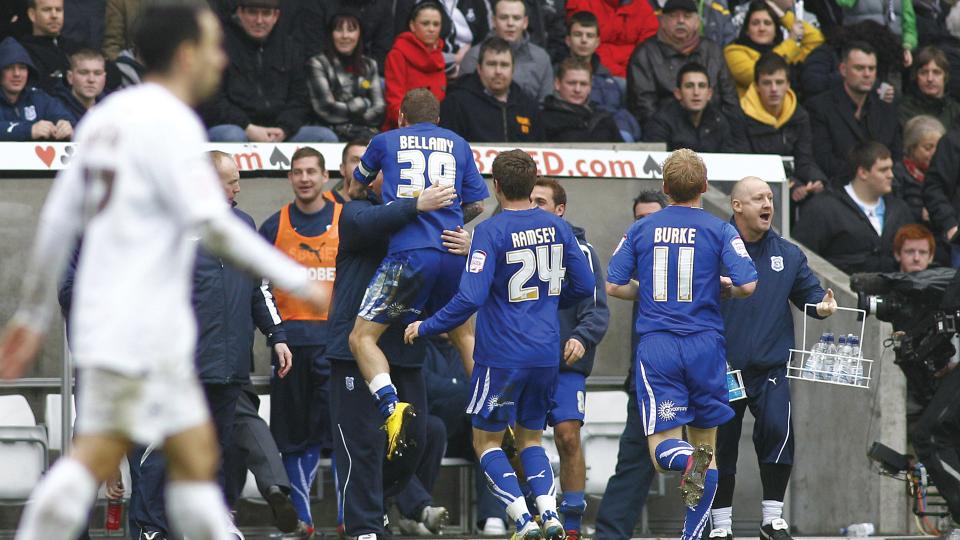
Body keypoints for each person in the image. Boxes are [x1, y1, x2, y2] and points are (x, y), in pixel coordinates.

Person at [0, 5, 329, 540]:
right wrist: (294, 281)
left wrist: (34, 311)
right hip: (145, 334)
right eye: (212, 46)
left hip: (120, 331)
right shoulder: (170, 123)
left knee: (176, 460)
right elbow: (217, 228)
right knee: (140, 460)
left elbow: (62, 216)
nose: (221, 57)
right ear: (185, 55)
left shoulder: (106, 118)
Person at [404, 149, 596, 540]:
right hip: (546, 352)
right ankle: (550, 512)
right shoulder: (558, 227)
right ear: (531, 182)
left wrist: (426, 326)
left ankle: (522, 519)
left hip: (501, 353)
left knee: (486, 440)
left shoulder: (490, 232)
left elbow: (469, 299)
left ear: (496, 187)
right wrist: (545, 304)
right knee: (530, 438)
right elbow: (585, 286)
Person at [128, 151, 295, 540]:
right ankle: (152, 529)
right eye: (231, 180)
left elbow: (260, 287)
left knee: (219, 452)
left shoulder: (244, 224)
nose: (238, 187)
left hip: (229, 365)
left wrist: (278, 335)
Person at [605, 149, 759, 540]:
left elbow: (613, 284)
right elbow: (748, 284)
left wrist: (651, 293)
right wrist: (723, 290)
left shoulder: (642, 229)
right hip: (706, 345)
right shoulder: (720, 228)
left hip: (659, 347)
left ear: (664, 188)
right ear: (704, 187)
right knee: (706, 452)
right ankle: (692, 535)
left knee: (663, 453)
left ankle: (688, 462)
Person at [327, 141, 471, 540]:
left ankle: (385, 508)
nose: (374, 172)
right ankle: (364, 529)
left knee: (415, 440)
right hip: (353, 353)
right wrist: (416, 205)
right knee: (362, 446)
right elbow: (371, 225)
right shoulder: (356, 211)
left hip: (405, 351)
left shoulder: (424, 219)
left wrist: (466, 238)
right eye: (366, 167)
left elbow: (457, 229)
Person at [350, 88, 488, 467]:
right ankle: (492, 411)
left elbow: (355, 187)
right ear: (438, 121)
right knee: (465, 335)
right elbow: (477, 202)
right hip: (451, 253)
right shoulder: (458, 143)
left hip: (409, 255)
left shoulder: (384, 140)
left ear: (400, 117)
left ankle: (391, 406)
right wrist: (458, 225)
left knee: (362, 337)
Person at [710, 177, 838, 540]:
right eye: (757, 199)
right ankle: (720, 525)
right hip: (722, 369)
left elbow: (811, 297)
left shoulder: (788, 253)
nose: (767, 204)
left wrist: (824, 307)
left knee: (779, 434)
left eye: (770, 197)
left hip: (769, 367)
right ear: (737, 206)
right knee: (722, 445)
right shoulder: (714, 248)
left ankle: (772, 519)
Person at [258, 146, 342, 535]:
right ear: (290, 178)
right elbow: (259, 288)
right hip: (289, 348)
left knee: (340, 435)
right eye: (297, 172)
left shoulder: (348, 221)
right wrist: (276, 336)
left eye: (311, 171)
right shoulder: (274, 226)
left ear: (325, 176)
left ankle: (346, 519)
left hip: (337, 345)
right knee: (292, 438)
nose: (305, 178)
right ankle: (303, 520)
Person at [530, 178, 610, 540]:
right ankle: (534, 518)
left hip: (564, 365)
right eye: (529, 200)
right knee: (521, 441)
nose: (534, 207)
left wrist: (581, 337)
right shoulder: (512, 246)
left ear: (560, 210)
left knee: (567, 436)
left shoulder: (583, 251)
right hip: (524, 363)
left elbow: (596, 310)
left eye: (541, 201)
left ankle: (573, 524)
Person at [593, 190, 666, 540]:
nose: (647, 225)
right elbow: (612, 284)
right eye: (640, 219)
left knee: (708, 456)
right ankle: (610, 534)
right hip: (646, 375)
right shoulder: (638, 255)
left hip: (696, 373)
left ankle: (713, 529)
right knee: (635, 460)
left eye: (654, 217)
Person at [202, 0, 329, 143]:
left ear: (276, 16)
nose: (259, 20)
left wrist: (284, 129)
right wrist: (247, 127)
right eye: (252, 13)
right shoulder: (220, 46)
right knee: (231, 135)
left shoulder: (290, 48)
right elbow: (212, 99)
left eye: (266, 14)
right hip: (237, 128)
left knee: (323, 136)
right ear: (239, 13)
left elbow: (300, 99)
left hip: (280, 131)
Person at [795, 141, 914, 273]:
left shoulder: (899, 209)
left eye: (891, 168)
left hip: (891, 291)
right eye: (883, 170)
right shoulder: (823, 208)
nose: (891, 175)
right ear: (863, 172)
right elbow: (801, 257)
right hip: (840, 291)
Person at [728, 53, 827, 208]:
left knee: (821, 200)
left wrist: (815, 181)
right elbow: (745, 164)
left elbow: (804, 159)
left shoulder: (799, 115)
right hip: (753, 191)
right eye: (767, 83)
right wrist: (790, 186)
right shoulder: (738, 115)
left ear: (788, 85)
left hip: (790, 184)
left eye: (779, 82)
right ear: (756, 86)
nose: (774, 89)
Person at [626, 0, 739, 125]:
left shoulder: (712, 50)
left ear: (697, 22)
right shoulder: (645, 54)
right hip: (665, 132)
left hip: (713, 131)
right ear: (662, 22)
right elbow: (644, 108)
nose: (680, 21)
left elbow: (730, 100)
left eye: (687, 16)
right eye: (673, 16)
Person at [807, 41, 902, 182]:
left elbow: (896, 157)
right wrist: (866, 177)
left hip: (882, 191)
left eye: (872, 68)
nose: (867, 74)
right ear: (843, 70)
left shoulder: (886, 109)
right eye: (859, 68)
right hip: (838, 190)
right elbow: (824, 160)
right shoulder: (820, 107)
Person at [439, 36, 544, 141]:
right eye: (492, 64)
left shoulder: (529, 107)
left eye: (504, 65)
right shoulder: (456, 104)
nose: (498, 71)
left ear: (513, 69)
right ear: (479, 68)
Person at [306, 9, 385, 142]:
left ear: (359, 34)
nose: (345, 36)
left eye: (351, 30)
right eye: (339, 30)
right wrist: (362, 104)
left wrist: (359, 116)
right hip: (329, 128)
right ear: (331, 34)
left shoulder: (369, 65)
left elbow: (379, 106)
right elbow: (326, 107)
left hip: (363, 127)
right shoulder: (318, 63)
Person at [563, 10, 640, 142]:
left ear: (597, 42)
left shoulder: (610, 81)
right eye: (578, 34)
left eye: (589, 36)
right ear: (568, 40)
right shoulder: (555, 74)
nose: (583, 40)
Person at [723, 0, 824, 97]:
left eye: (767, 23)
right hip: (749, 112)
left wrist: (784, 17)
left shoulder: (788, 52)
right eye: (755, 23)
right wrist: (791, 41)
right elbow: (761, 73)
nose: (761, 28)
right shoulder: (733, 52)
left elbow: (816, 40)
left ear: (776, 31)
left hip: (786, 111)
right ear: (747, 30)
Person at [460, 0, 554, 102]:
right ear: (494, 21)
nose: (510, 23)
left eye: (516, 18)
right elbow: (463, 102)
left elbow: (545, 105)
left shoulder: (541, 58)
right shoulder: (474, 56)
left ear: (525, 22)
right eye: (504, 18)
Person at [383, 1, 446, 130]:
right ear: (412, 25)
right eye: (425, 23)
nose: (431, 29)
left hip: (435, 130)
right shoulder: (398, 54)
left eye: (436, 24)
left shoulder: (439, 56)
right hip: (402, 129)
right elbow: (395, 102)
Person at [642, 62, 730, 152]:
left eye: (702, 86)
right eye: (689, 86)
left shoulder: (719, 121)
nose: (696, 92)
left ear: (709, 94)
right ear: (678, 93)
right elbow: (655, 162)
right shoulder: (660, 123)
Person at [0, 36, 73, 141]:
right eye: (9, 68)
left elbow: (68, 119)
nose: (17, 74)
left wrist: (65, 125)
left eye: (22, 68)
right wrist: (29, 130)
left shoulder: (38, 98)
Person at [564, 0, 659, 78]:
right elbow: (586, 45)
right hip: (595, 72)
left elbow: (646, 51)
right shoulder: (584, 3)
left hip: (634, 75)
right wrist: (622, 75)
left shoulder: (644, 8)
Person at [541, 57, 622, 142]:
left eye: (583, 84)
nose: (577, 90)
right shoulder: (542, 120)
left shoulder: (604, 120)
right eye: (571, 83)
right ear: (557, 84)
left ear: (590, 87)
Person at [895, 115, 944, 230]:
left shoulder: (945, 172)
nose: (935, 153)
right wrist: (918, 212)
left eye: (939, 147)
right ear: (911, 148)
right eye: (928, 148)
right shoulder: (897, 174)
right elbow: (894, 211)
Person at [898, 46, 960, 130]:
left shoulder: (955, 111)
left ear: (945, 76)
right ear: (916, 76)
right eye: (923, 73)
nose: (930, 79)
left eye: (936, 72)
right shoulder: (904, 108)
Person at [57, 48, 105, 124]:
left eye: (97, 73)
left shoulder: (113, 107)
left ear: (104, 77)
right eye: (84, 73)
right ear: (70, 77)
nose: (91, 80)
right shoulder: (55, 110)